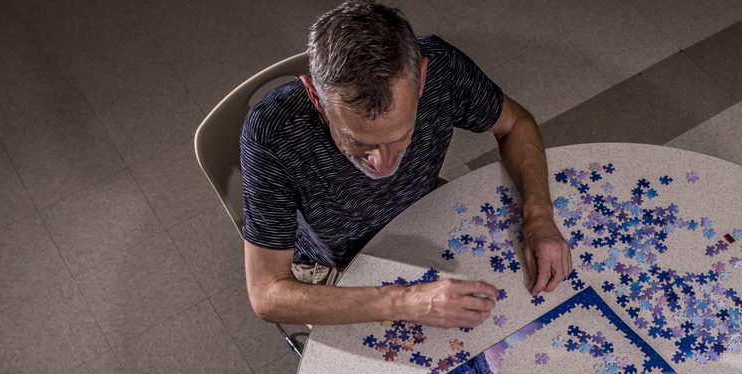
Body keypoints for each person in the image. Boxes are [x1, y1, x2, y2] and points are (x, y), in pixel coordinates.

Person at [241, 2, 572, 331]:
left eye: (401, 137)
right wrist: (408, 302)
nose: (383, 164)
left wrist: (540, 218)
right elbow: (267, 295)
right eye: (358, 142)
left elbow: (514, 124)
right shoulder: (272, 130)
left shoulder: (443, 69)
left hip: (428, 211)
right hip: (336, 267)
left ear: (422, 79)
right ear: (316, 98)